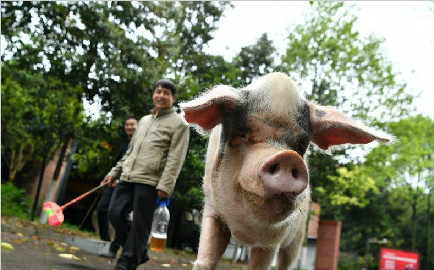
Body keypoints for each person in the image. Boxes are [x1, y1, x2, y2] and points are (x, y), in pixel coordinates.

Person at [101, 79, 190, 270]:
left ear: (173, 98)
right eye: (158, 91)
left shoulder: (179, 124)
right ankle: (139, 250)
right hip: (127, 176)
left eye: (166, 93)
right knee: (114, 214)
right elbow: (130, 152)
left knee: (140, 224)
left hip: (151, 181)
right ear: (153, 95)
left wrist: (166, 185)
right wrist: (114, 172)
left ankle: (126, 262)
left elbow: (176, 158)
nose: (161, 96)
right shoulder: (144, 120)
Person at [98, 116, 138, 259]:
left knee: (119, 215)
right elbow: (119, 163)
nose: (129, 127)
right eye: (127, 125)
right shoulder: (126, 145)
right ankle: (106, 243)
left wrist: (120, 179)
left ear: (138, 126)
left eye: (132, 124)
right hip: (114, 183)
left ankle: (115, 248)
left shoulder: (139, 143)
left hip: (127, 184)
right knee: (102, 210)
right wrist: (110, 176)